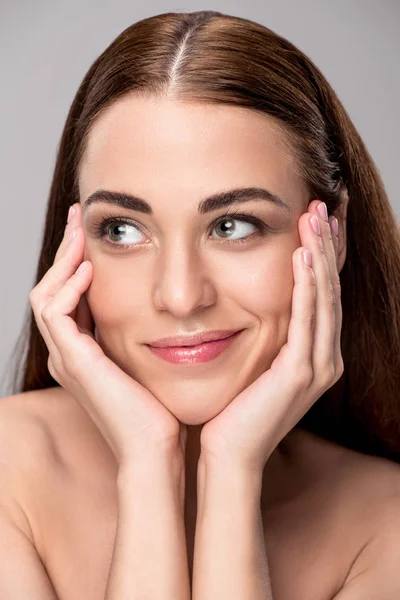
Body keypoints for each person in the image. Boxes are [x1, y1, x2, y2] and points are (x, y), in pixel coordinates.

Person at [1, 9, 400, 599]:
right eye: (123, 230)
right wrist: (147, 460)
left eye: (233, 225)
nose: (181, 296)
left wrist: (231, 473)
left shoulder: (385, 524)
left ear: (330, 233)